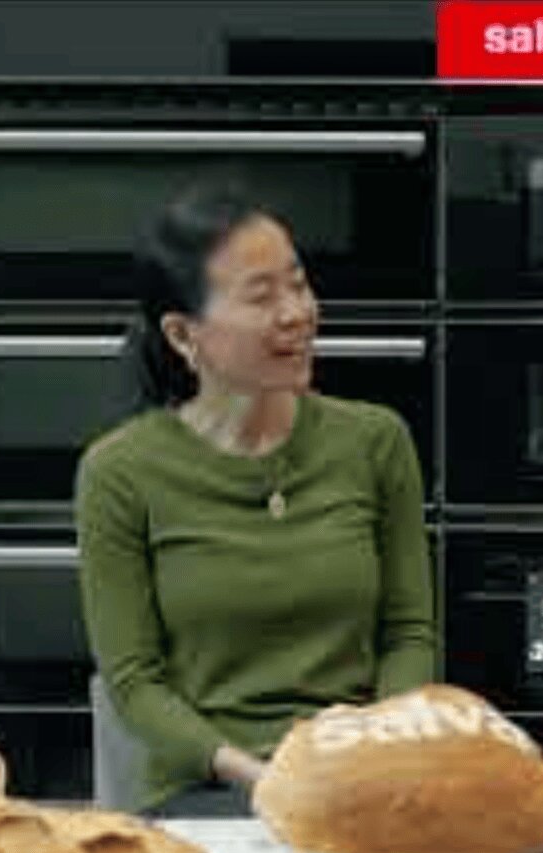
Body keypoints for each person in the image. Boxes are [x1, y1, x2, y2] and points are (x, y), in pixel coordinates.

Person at [75, 183, 437, 815]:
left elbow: (409, 634)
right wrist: (262, 778)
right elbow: (136, 684)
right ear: (184, 336)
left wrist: (375, 750)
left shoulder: (376, 440)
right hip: (209, 791)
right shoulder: (119, 473)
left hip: (366, 776)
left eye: (298, 284)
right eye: (262, 297)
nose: (296, 312)